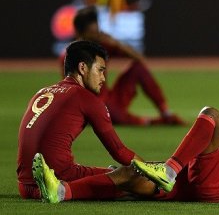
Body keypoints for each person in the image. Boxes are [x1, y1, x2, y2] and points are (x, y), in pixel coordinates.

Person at [32, 106, 219, 203]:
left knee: (211, 115)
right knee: (129, 174)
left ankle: (168, 170)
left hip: (216, 189)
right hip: (194, 185)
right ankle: (61, 191)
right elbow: (216, 146)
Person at [17, 40, 142, 199]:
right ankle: (62, 191)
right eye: (100, 70)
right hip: (57, 178)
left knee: (114, 173)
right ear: (83, 68)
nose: (103, 78)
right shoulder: (85, 97)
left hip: (25, 186)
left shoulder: (42, 92)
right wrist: (154, 171)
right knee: (134, 175)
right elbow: (120, 153)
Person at [69, 6, 185, 126]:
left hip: (108, 100)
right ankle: (152, 122)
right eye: (91, 33)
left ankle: (165, 113)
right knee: (111, 113)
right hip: (93, 106)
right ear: (80, 33)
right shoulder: (70, 56)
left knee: (137, 68)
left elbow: (139, 58)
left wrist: (117, 43)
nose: (96, 35)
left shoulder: (102, 46)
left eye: (97, 31)